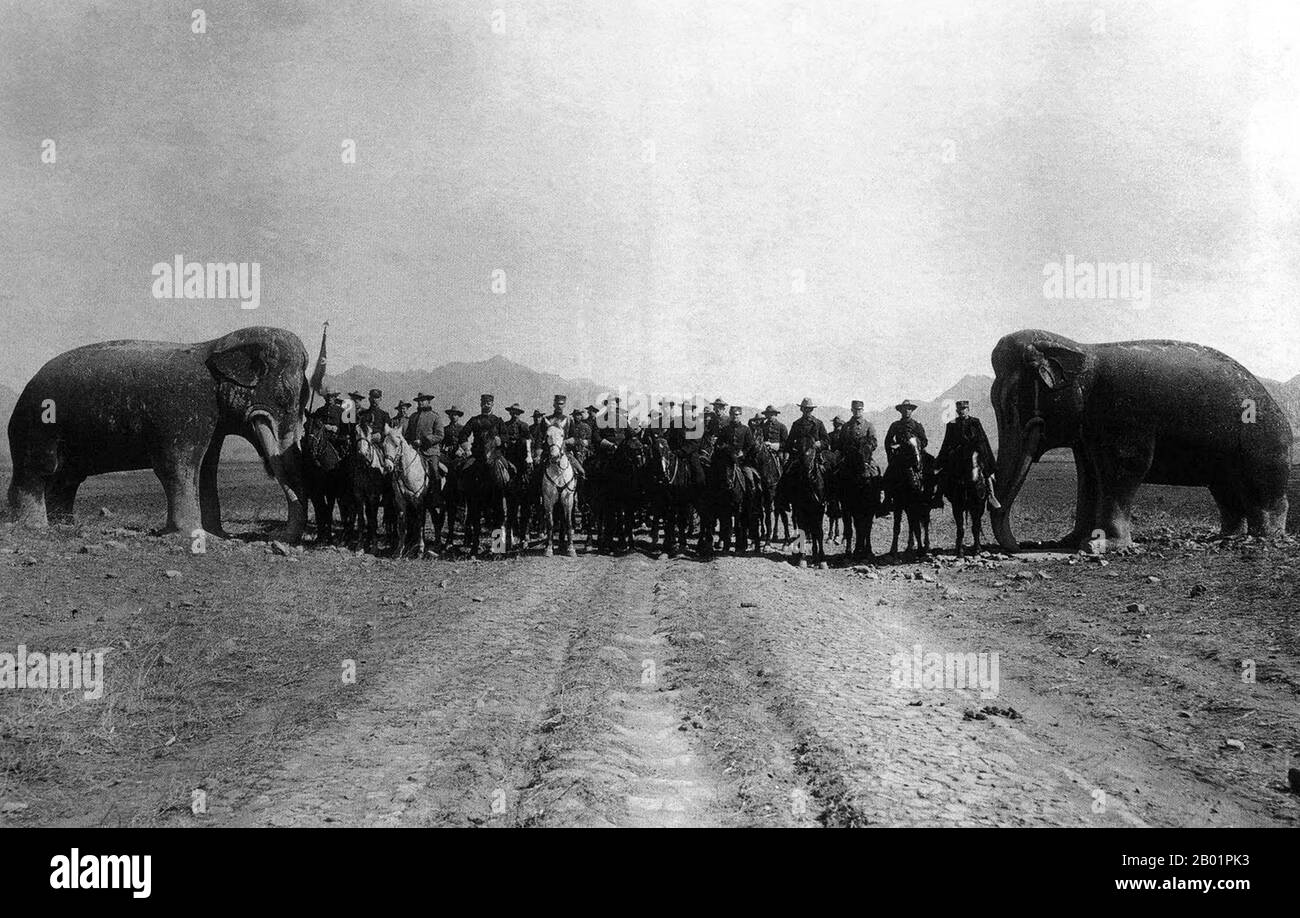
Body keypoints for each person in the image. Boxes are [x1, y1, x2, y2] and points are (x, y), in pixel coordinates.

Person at [935, 399, 999, 507]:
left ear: (968, 410)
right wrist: (942, 459)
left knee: (986, 472)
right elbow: (946, 442)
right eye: (960, 409)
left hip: (974, 455)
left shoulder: (975, 422)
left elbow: (983, 439)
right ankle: (938, 497)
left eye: (964, 409)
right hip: (957, 456)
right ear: (956, 411)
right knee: (944, 473)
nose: (962, 411)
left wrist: (981, 451)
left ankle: (991, 496)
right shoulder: (951, 424)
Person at [404, 392, 444, 469]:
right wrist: (409, 443)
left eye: (422, 400)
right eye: (418, 401)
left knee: (434, 471)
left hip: (430, 451)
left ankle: (437, 481)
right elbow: (407, 434)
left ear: (428, 401)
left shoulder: (435, 416)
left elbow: (440, 435)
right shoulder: (413, 417)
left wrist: (423, 441)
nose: (420, 402)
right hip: (414, 450)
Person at [459, 394, 503, 462]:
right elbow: (463, 434)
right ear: (480, 404)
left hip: (495, 454)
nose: (486, 405)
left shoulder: (498, 421)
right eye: (483, 403)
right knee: (464, 469)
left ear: (492, 404)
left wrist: (499, 441)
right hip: (477, 454)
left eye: (488, 403)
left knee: (510, 468)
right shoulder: (474, 420)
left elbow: (505, 436)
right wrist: (466, 449)